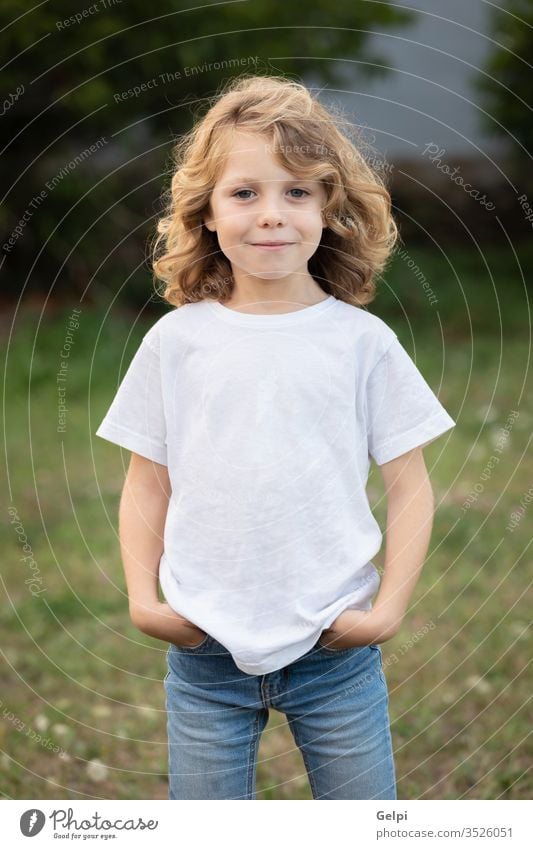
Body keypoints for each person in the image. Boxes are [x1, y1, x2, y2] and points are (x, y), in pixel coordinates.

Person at [95, 74, 456, 800]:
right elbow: (147, 479)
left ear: (330, 207)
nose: (271, 215)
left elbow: (410, 484)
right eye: (244, 193)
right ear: (205, 211)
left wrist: (385, 609)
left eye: (296, 192)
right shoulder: (177, 341)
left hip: (335, 651)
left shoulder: (362, 342)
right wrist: (144, 598)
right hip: (204, 652)